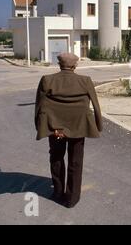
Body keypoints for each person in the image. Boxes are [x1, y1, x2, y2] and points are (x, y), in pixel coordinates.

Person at [35, 53, 103, 208]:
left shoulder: (47, 80)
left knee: (56, 157)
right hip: (79, 127)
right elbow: (96, 105)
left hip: (55, 128)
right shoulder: (85, 81)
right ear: (75, 66)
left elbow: (39, 105)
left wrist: (40, 126)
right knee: (76, 161)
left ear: (59, 65)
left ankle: (58, 192)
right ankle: (72, 199)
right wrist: (98, 124)